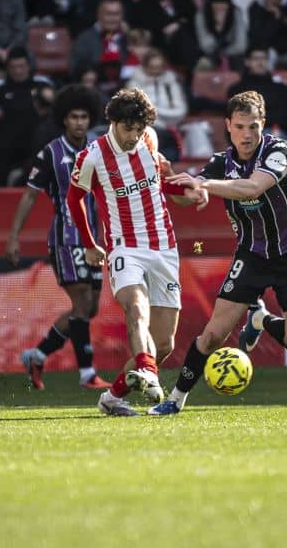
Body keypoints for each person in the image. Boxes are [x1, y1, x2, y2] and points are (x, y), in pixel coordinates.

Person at [148, 90, 287, 415]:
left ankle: (261, 318)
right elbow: (187, 196)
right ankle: (175, 400)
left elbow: (252, 188)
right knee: (213, 334)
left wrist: (206, 186)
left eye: (253, 126)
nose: (247, 134)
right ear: (227, 125)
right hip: (252, 254)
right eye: (240, 126)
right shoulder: (219, 163)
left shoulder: (280, 150)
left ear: (263, 125)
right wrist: (172, 182)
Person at [65, 88, 208, 416]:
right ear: (113, 122)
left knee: (164, 345)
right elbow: (74, 199)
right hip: (124, 247)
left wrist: (191, 191)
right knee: (135, 306)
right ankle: (149, 373)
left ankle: (112, 399)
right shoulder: (93, 156)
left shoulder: (150, 141)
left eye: (139, 129)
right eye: (128, 129)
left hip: (164, 247)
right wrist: (89, 243)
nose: (133, 136)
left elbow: (160, 184)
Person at [7, 84, 112, 391]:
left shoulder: (99, 149)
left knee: (90, 308)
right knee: (81, 302)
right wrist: (14, 237)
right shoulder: (51, 153)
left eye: (83, 117)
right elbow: (29, 197)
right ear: (64, 120)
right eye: (73, 117)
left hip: (93, 239)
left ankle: (37, 354)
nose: (79, 122)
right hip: (65, 239)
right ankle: (87, 373)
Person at [0, 47, 53, 186]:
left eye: (21, 66)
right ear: (7, 68)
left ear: (28, 65)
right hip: (7, 143)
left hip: (36, 142)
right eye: (13, 67)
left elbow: (55, 111)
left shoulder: (42, 84)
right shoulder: (0, 87)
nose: (18, 71)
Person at [125, 49, 187, 161]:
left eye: (159, 67)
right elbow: (135, 111)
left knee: (168, 152)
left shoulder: (171, 83)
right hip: (142, 130)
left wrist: (155, 112)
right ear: (145, 67)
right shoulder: (134, 84)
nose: (156, 71)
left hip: (168, 129)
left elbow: (180, 111)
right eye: (152, 67)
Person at [227, 47, 287, 137]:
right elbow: (238, 119)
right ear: (247, 62)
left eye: (264, 58)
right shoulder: (237, 89)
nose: (260, 62)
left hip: (274, 132)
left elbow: (284, 117)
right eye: (256, 59)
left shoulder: (280, 89)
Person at [194, 0, 248, 71]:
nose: (220, 9)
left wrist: (223, 53)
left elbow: (241, 45)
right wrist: (218, 27)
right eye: (216, 5)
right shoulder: (201, 15)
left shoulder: (236, 13)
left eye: (223, 6)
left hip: (232, 51)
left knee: (240, 62)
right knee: (204, 63)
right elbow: (205, 45)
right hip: (209, 52)